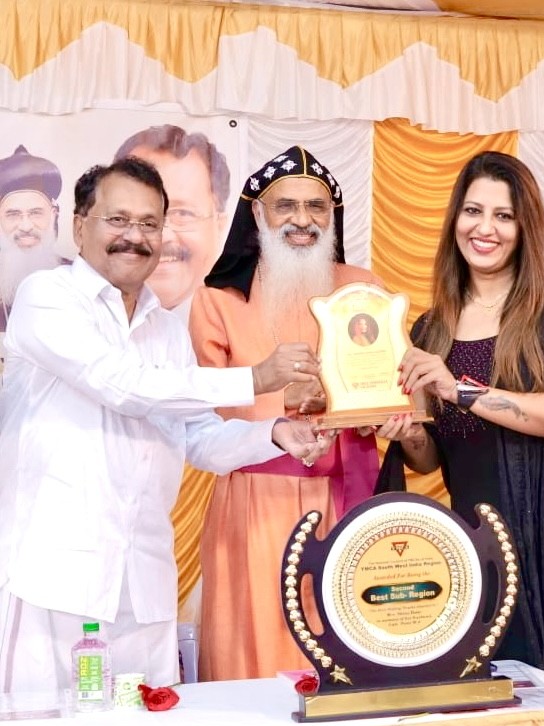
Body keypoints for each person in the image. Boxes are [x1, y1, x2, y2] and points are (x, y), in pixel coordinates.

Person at [0, 156, 332, 694]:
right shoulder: (47, 297)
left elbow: (197, 437)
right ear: (79, 227)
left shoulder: (165, 330)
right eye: (117, 220)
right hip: (54, 583)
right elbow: (122, 384)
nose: (134, 236)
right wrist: (256, 378)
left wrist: (272, 434)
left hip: (144, 586)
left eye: (149, 223)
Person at [375, 150, 544, 689]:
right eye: (473, 211)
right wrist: (410, 433)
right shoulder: (430, 328)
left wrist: (459, 389)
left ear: (524, 228)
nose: (485, 229)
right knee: (500, 692)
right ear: (455, 218)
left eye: (504, 216)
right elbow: (432, 457)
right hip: (482, 544)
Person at [190, 145, 384, 681]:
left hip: (346, 492)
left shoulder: (363, 288)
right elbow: (205, 420)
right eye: (286, 206)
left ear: (333, 215)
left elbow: (386, 384)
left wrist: (373, 408)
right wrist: (281, 408)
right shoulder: (218, 299)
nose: (303, 220)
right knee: (257, 647)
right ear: (257, 213)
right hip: (256, 499)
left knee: (348, 652)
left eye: (316, 206)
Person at [114, 125, 229, 318]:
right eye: (142, 215)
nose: (162, 236)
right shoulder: (71, 314)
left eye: (183, 214)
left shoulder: (246, 323)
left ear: (219, 227)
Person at [0, 145, 70, 364]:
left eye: (36, 213)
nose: (26, 226)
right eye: (13, 214)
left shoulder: (76, 278)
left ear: (54, 214)